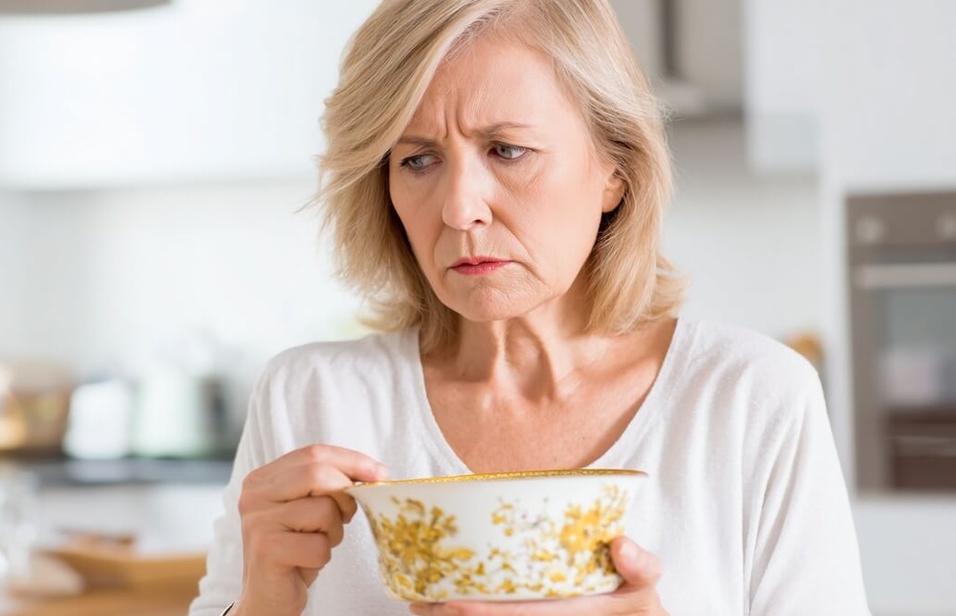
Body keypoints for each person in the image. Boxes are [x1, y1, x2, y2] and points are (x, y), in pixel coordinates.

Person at [189, 1, 872, 615]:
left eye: (507, 149)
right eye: (418, 161)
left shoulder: (750, 399)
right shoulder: (310, 399)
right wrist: (260, 606)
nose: (459, 209)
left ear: (615, 169)